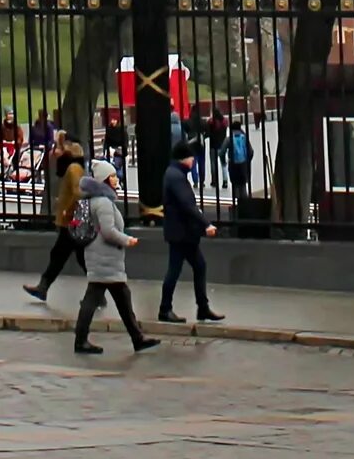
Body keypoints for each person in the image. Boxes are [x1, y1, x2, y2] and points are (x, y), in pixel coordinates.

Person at [71, 158, 155, 353]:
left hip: (101, 257)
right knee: (102, 298)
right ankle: (83, 340)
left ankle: (136, 338)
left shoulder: (96, 200)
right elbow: (108, 231)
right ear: (104, 180)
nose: (116, 180)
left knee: (118, 297)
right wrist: (127, 240)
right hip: (105, 258)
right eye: (113, 177)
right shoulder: (103, 203)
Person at [157, 142, 223, 323]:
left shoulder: (174, 174)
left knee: (198, 266)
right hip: (181, 233)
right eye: (191, 157)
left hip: (182, 232)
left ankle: (202, 307)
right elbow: (188, 205)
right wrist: (206, 224)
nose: (194, 160)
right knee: (175, 270)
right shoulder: (176, 177)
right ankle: (165, 309)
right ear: (184, 158)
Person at [24, 138, 93, 303]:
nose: (55, 151)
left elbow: (78, 192)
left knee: (61, 255)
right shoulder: (71, 168)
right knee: (75, 258)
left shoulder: (73, 168)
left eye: (59, 148)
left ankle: (44, 287)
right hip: (69, 221)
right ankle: (97, 293)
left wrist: (66, 208)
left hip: (70, 222)